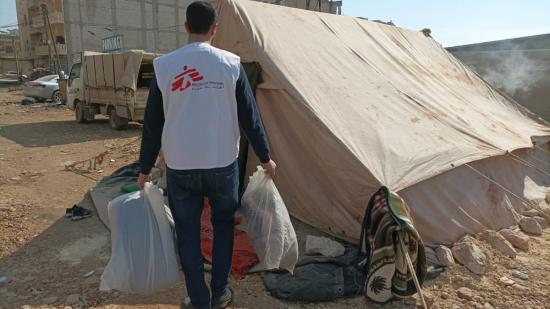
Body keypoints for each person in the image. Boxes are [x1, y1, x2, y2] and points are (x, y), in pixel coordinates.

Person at [137, 1, 276, 309]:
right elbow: (250, 118)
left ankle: (198, 299)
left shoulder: (165, 66)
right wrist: (266, 158)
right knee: (224, 227)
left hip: (180, 167)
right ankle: (220, 293)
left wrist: (144, 169)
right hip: (221, 167)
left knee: (186, 233)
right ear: (215, 29)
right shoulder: (231, 64)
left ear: (186, 27)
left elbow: (152, 125)